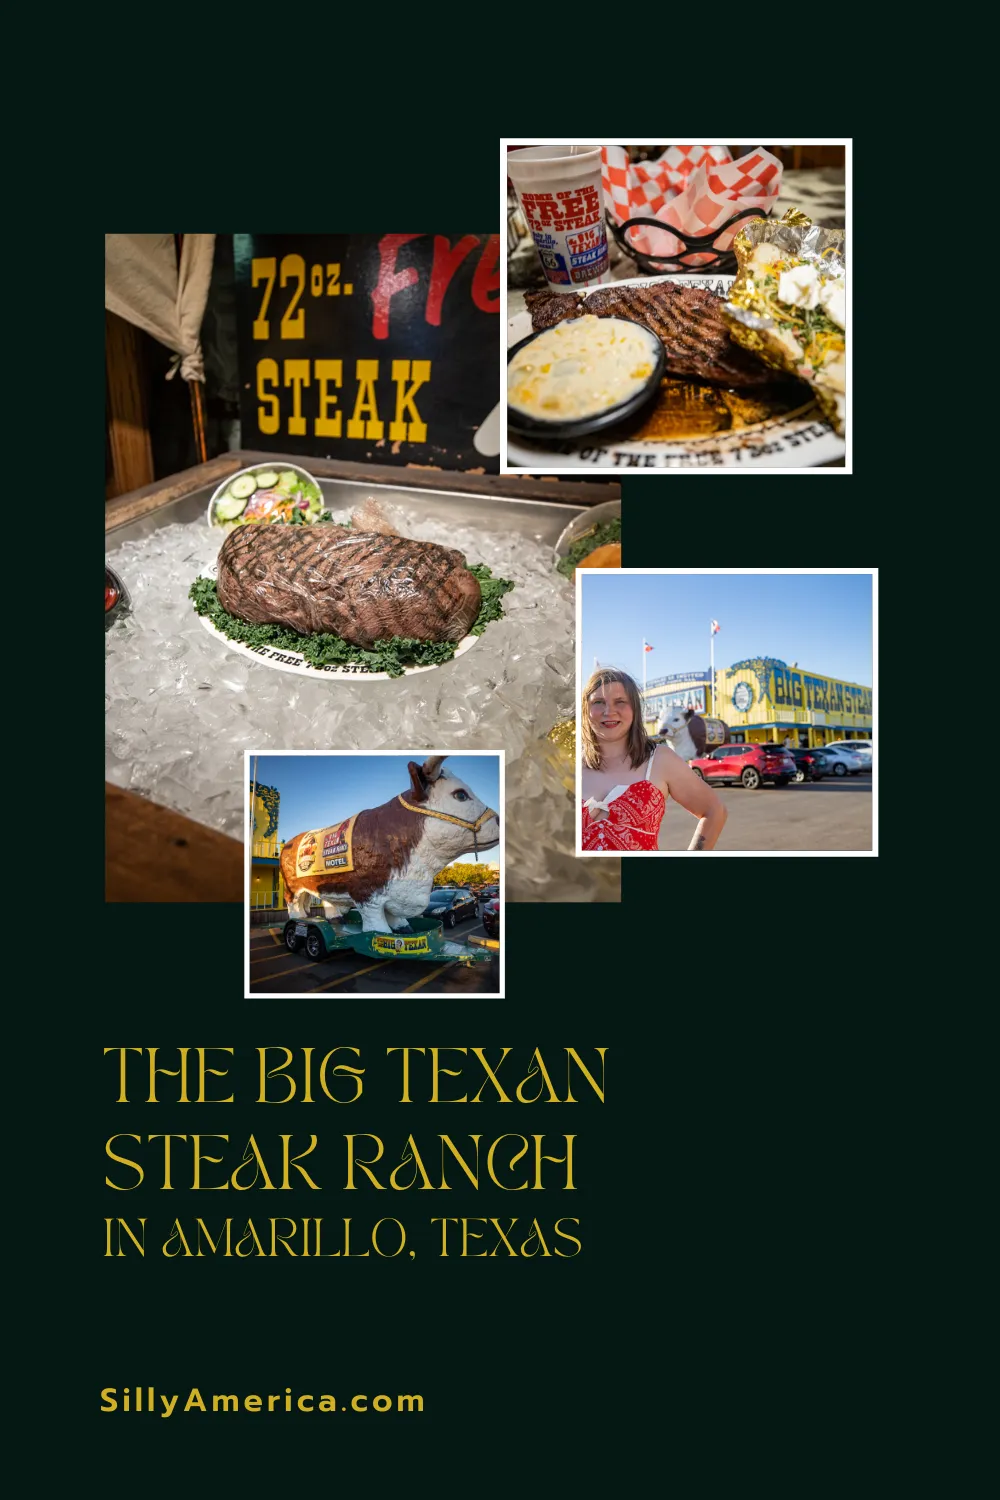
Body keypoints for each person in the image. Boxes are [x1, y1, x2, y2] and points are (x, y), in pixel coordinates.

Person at [581, 668, 727, 852]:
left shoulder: (660, 759)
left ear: (634, 709)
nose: (609, 711)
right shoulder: (569, 765)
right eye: (599, 702)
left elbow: (715, 811)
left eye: (620, 702)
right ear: (585, 709)